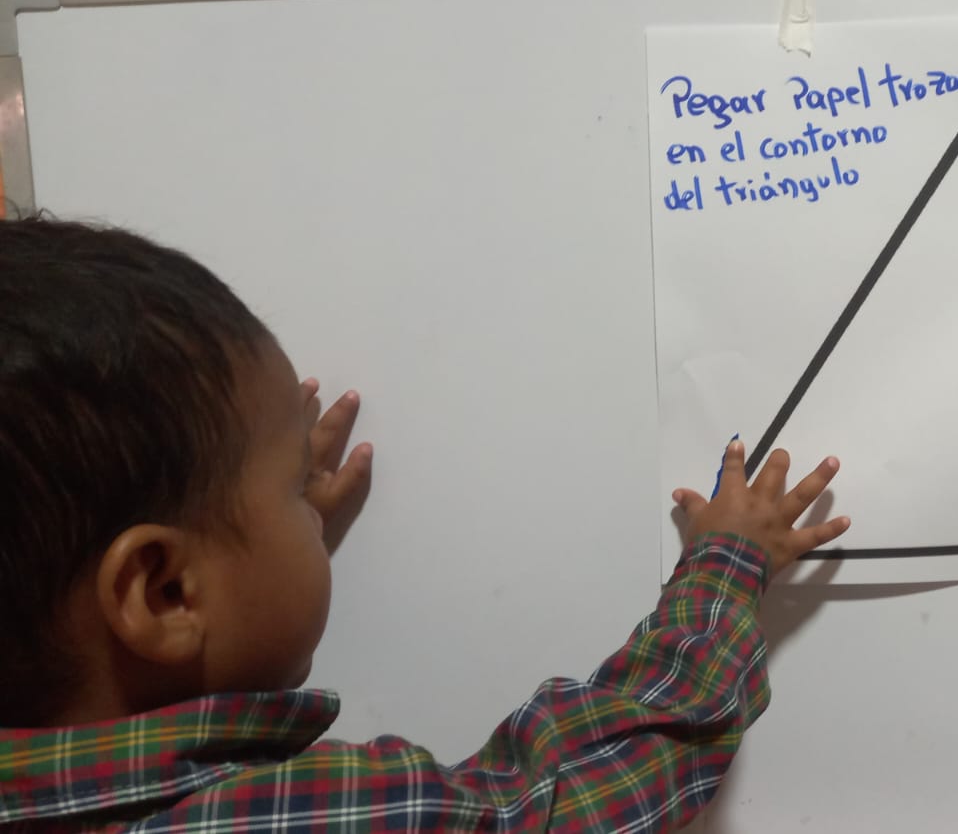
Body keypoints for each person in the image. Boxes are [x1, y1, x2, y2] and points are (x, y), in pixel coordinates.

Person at [0, 215, 850, 831]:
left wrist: (242, 544)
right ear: (165, 592)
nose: (313, 507)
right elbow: (576, 798)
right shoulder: (304, 817)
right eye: (295, 488)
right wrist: (728, 561)